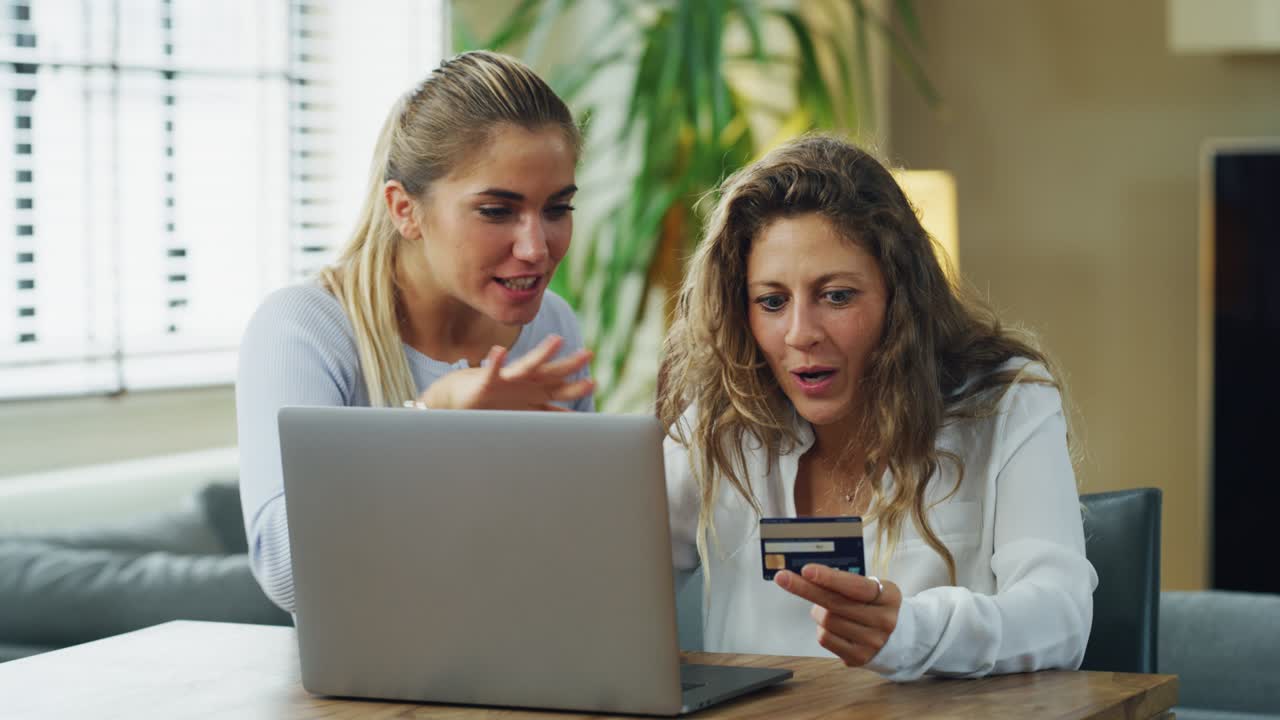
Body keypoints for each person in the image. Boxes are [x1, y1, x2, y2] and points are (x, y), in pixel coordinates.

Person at [657, 135, 1097, 681]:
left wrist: (911, 631)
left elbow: (1061, 616)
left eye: (837, 296)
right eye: (772, 302)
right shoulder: (720, 423)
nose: (800, 334)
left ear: (899, 296)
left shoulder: (1006, 401)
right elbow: (609, 584)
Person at [236, 51, 594, 613]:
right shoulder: (305, 329)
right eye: (497, 211)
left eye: (557, 208)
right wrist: (432, 421)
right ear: (405, 209)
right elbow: (287, 576)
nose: (537, 247)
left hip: (529, 653)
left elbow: (581, 545)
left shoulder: (551, 323)